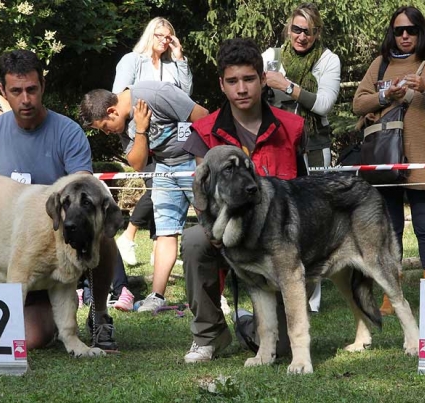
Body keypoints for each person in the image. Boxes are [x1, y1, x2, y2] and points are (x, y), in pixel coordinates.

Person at [0, 49, 120, 350]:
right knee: (30, 339)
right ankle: (31, 317)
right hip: (17, 254)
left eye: (31, 90)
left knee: (101, 234)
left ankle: (99, 314)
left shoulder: (69, 132)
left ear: (42, 87)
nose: (25, 99)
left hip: (59, 244)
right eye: (16, 91)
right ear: (2, 92)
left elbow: (83, 193)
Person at [181, 38, 304, 363]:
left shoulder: (292, 128)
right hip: (226, 235)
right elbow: (203, 199)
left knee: (281, 352)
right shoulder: (204, 132)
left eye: (249, 79)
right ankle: (209, 335)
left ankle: (248, 323)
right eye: (233, 81)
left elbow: (303, 192)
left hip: (274, 243)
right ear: (222, 84)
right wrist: (220, 236)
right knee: (194, 239)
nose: (241, 88)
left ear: (263, 79)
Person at [353, 6, 425, 315]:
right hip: (387, 158)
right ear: (392, 33)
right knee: (392, 228)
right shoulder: (380, 65)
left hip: (424, 158)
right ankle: (391, 295)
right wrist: (385, 97)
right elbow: (359, 103)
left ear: (420, 32)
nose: (404, 36)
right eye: (398, 30)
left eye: (410, 30)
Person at [78, 81, 209, 312]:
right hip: (163, 169)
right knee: (165, 231)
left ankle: (215, 295)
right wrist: (140, 129)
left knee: (210, 228)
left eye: (105, 127)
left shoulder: (156, 95)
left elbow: (203, 117)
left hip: (193, 163)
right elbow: (138, 164)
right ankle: (156, 296)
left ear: (112, 111)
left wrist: (201, 170)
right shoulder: (127, 124)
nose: (108, 132)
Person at [261, 2, 341, 312]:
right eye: (296, 29)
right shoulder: (271, 57)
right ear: (288, 29)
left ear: (317, 32)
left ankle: (312, 301)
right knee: (277, 217)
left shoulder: (328, 60)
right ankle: (279, 289)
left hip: (314, 146)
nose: (301, 36)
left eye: (308, 31)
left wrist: (288, 87)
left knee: (314, 220)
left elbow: (323, 104)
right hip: (277, 147)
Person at [113, 16, 193, 266]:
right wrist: (138, 131)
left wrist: (180, 59)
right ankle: (128, 236)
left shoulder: (172, 64)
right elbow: (118, 97)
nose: (165, 40)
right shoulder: (132, 61)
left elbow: (186, 96)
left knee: (163, 188)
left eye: (169, 37)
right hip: (141, 135)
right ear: (150, 35)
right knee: (158, 186)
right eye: (160, 35)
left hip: (174, 135)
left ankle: (159, 246)